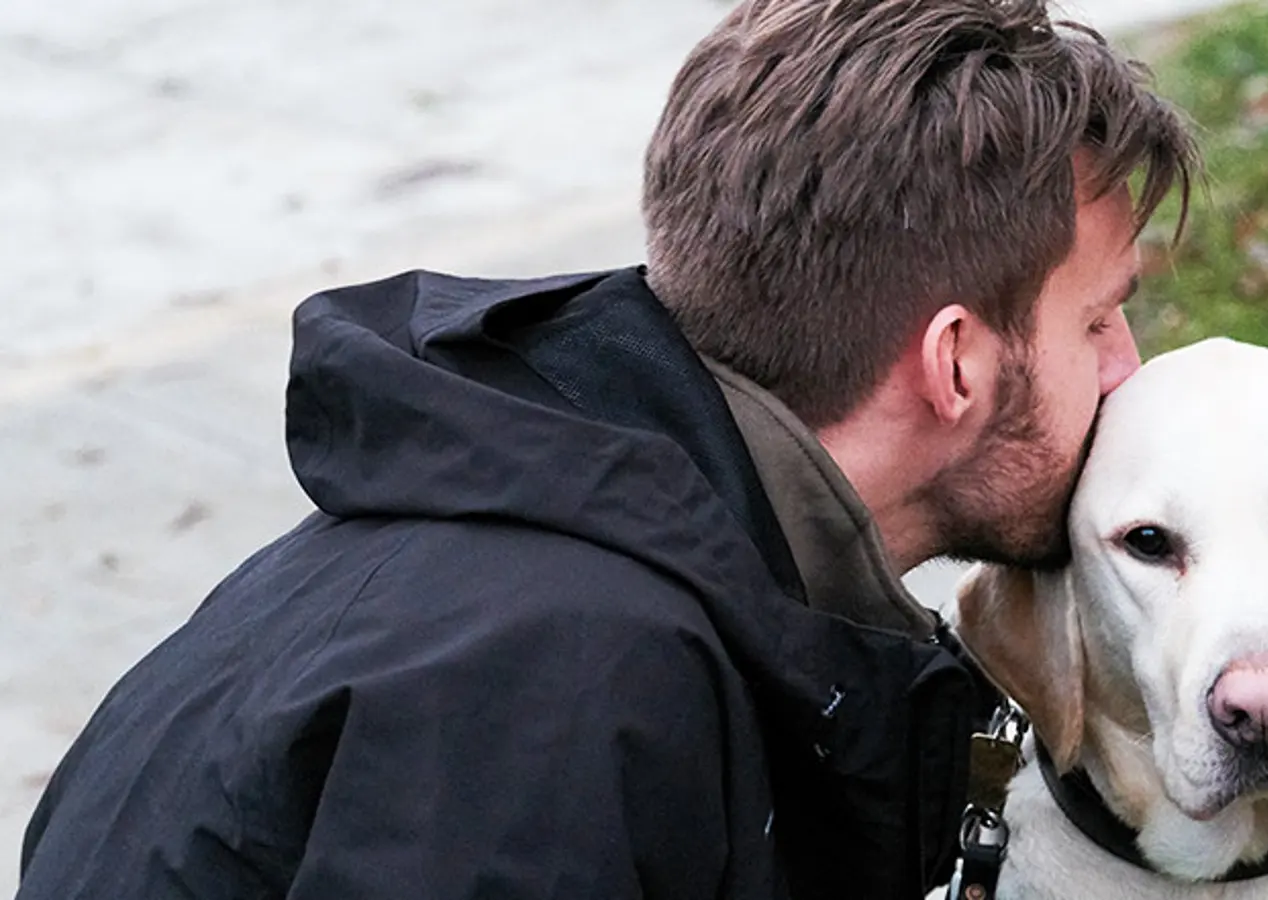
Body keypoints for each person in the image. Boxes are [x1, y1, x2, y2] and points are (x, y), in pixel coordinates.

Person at [18, 1, 1198, 897]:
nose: (1125, 371)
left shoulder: (591, 559)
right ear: (956, 364)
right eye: (1096, 319)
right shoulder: (557, 701)